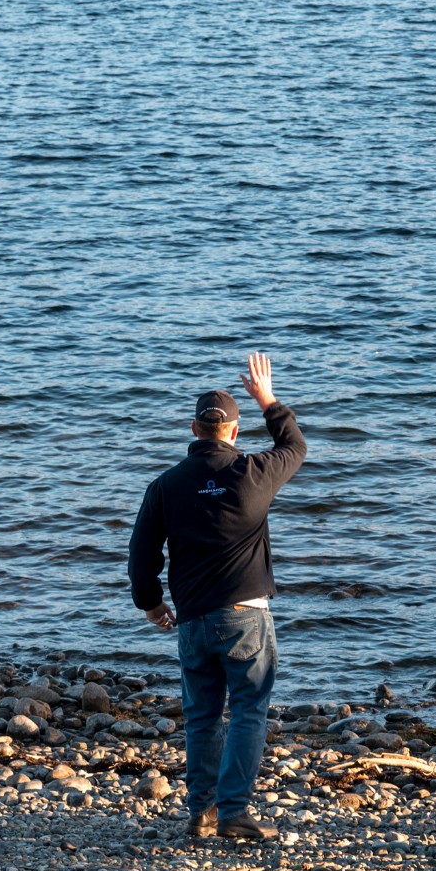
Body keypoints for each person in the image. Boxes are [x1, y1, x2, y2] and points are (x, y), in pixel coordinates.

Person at [128, 352, 306, 841]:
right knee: (248, 708)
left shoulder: (164, 486)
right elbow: (294, 444)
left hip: (192, 617)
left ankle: (200, 812)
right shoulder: (252, 472)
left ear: (193, 428)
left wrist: (151, 603)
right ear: (233, 431)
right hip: (246, 613)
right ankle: (233, 812)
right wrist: (267, 398)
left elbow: (142, 552)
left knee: (202, 715)